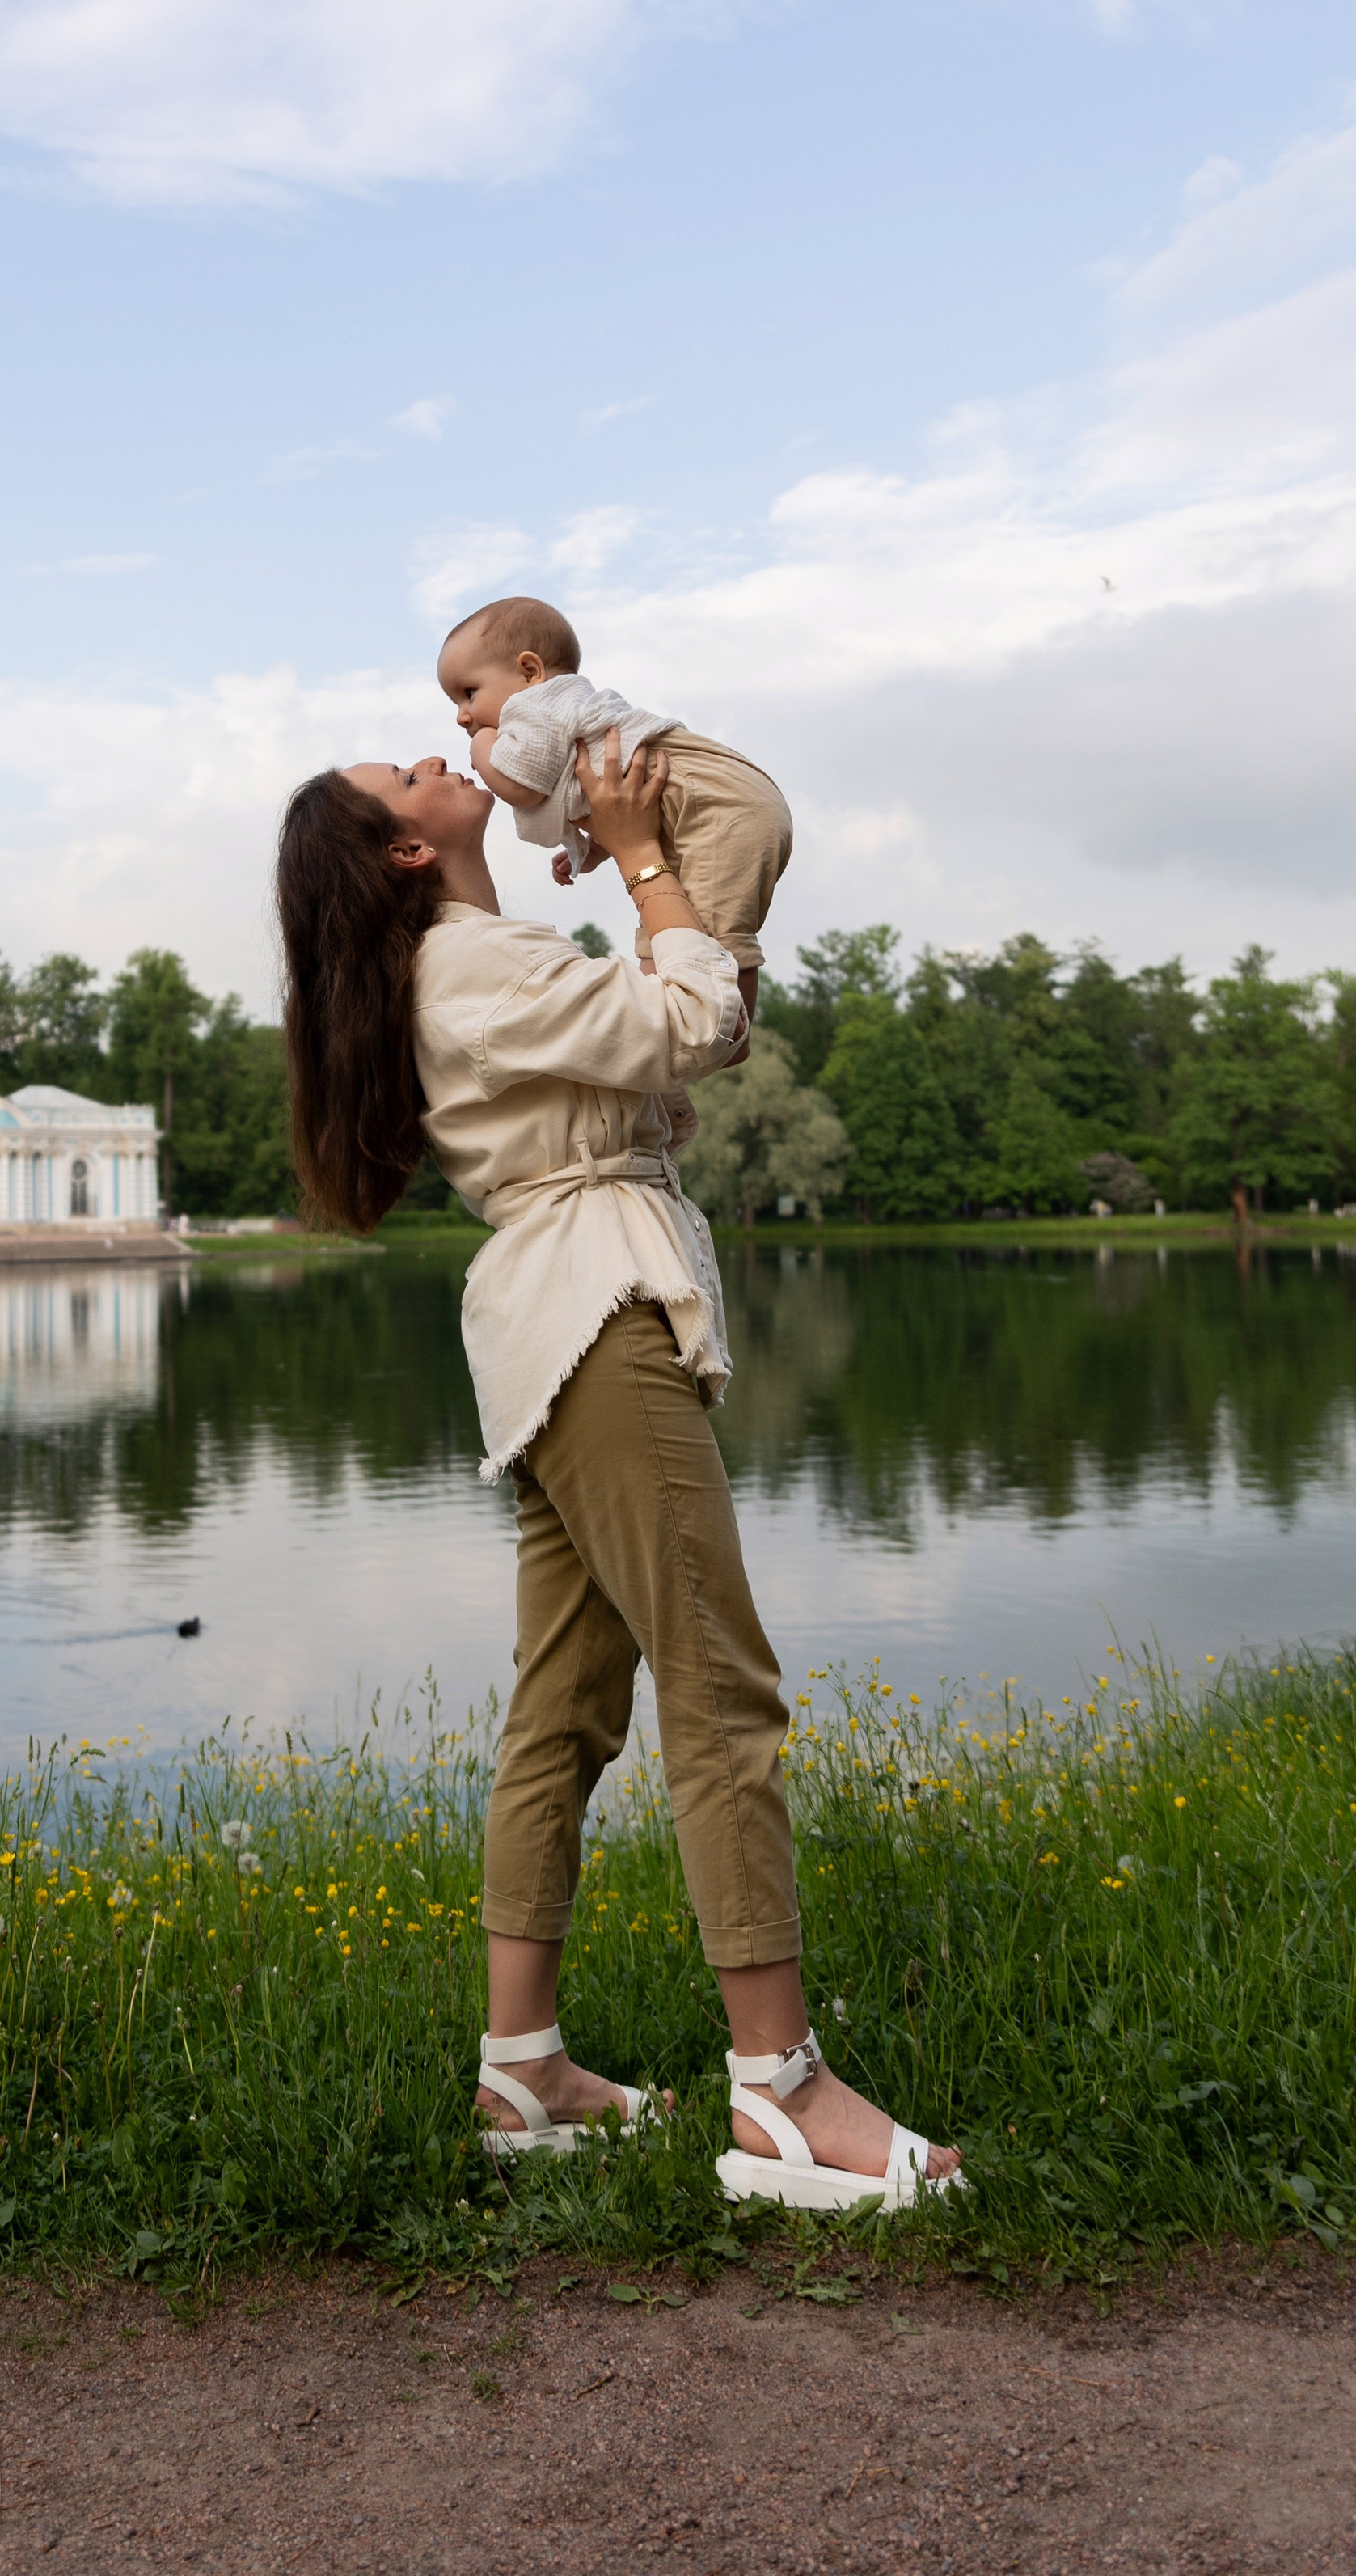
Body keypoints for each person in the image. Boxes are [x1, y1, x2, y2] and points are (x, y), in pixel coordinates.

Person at [273, 732, 961, 2210]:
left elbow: (678, 1036)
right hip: (595, 1317)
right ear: (407, 851)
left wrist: (666, 899)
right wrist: (648, 856)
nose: (435, 752)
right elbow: (700, 1027)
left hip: (553, 1322)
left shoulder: (472, 959)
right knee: (720, 1687)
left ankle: (522, 2071)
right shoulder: (474, 963)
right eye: (403, 774)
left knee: (567, 1706)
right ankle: (782, 2096)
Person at [435, 594, 792, 1030]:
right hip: (708, 802)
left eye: (468, 693)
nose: (463, 716)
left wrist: (483, 749)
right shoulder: (569, 712)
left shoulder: (534, 707)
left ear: (530, 672)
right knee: (678, 924)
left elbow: (522, 786)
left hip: (715, 807)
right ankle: (694, 1025)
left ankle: (729, 1031)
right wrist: (595, 848)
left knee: (709, 932)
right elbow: (615, 790)